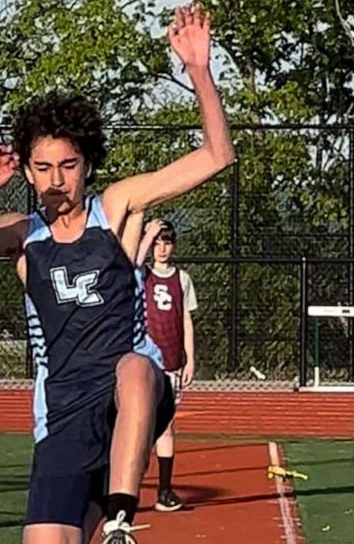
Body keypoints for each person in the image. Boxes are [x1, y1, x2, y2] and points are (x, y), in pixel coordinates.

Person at [0, 3, 233, 544]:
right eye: (43, 167)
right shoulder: (22, 233)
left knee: (131, 365)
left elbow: (217, 156)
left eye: (69, 165)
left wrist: (198, 71)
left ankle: (122, 521)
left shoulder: (115, 207)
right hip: (62, 409)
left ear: (86, 164)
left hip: (132, 392)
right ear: (28, 174)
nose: (57, 178)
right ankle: (103, 519)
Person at [134, 219, 197, 512]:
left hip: (171, 361)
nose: (162, 248)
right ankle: (124, 489)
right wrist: (145, 234)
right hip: (144, 360)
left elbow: (186, 319)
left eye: (166, 242)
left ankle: (165, 490)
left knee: (166, 425)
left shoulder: (182, 279)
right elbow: (130, 258)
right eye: (157, 242)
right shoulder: (141, 274)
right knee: (136, 424)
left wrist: (190, 357)